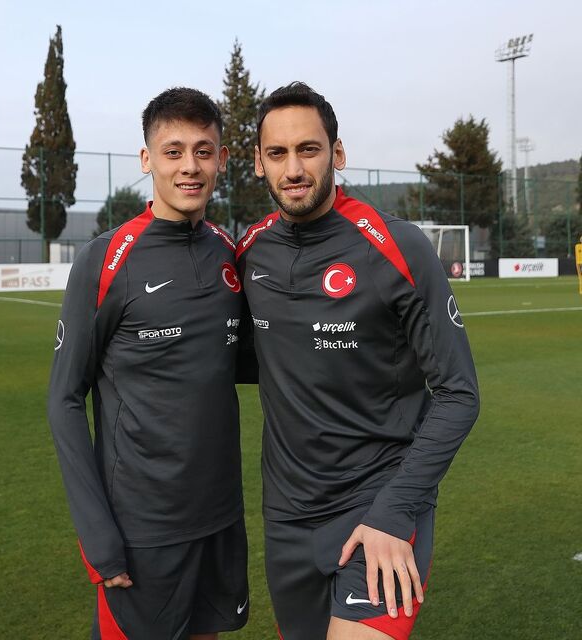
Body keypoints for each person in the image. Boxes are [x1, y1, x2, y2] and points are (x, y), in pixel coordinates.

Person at [236, 82, 479, 640]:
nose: (293, 169)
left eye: (309, 149)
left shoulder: (397, 246)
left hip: (379, 505)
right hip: (288, 519)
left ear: (337, 153)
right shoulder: (252, 250)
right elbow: (239, 358)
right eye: (277, 153)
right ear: (258, 162)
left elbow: (459, 393)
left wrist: (395, 508)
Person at [48, 87, 249, 640]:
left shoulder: (228, 252)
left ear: (222, 159)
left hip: (220, 517)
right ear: (147, 159)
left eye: (203, 151)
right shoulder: (106, 259)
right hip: (142, 529)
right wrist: (96, 531)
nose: (190, 166)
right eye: (173, 151)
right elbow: (64, 398)